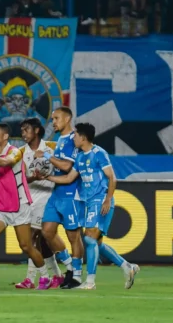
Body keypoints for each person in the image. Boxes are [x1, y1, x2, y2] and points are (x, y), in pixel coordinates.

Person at [46, 123, 139, 290]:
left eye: (75, 135)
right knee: (97, 243)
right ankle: (127, 266)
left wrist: (108, 200)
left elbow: (112, 177)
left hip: (100, 200)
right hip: (88, 202)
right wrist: (47, 177)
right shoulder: (80, 157)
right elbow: (68, 178)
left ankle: (90, 282)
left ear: (83, 138)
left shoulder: (99, 153)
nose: (73, 138)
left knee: (89, 239)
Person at [0, 123, 46, 293]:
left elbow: (6, 162)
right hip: (0, 207)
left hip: (20, 205)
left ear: (5, 136)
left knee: (26, 246)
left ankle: (45, 276)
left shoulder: (15, 151)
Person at [15, 118, 65, 290]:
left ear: (36, 130)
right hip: (28, 200)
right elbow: (20, 179)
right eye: (22, 130)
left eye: (26, 129)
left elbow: (66, 165)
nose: (23, 133)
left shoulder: (52, 147)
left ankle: (31, 279)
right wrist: (33, 178)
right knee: (42, 242)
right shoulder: (20, 153)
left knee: (30, 239)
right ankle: (58, 275)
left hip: (46, 198)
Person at [41, 107, 84, 288]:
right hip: (57, 192)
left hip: (71, 194)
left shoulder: (74, 139)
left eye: (56, 118)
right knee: (47, 231)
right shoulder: (60, 140)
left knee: (73, 236)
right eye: (52, 119)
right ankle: (69, 266)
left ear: (67, 119)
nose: (53, 122)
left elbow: (67, 166)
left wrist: (46, 156)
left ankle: (77, 276)